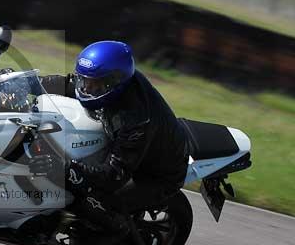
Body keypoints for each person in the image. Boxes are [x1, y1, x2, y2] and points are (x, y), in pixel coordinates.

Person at [31, 41, 188, 228]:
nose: (86, 89)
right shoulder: (103, 81)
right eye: (85, 80)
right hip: (127, 148)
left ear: (115, 83)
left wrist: (66, 169)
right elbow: (68, 83)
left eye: (94, 84)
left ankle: (110, 234)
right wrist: (26, 85)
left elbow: (113, 177)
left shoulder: (135, 120)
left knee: (88, 200)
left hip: (155, 173)